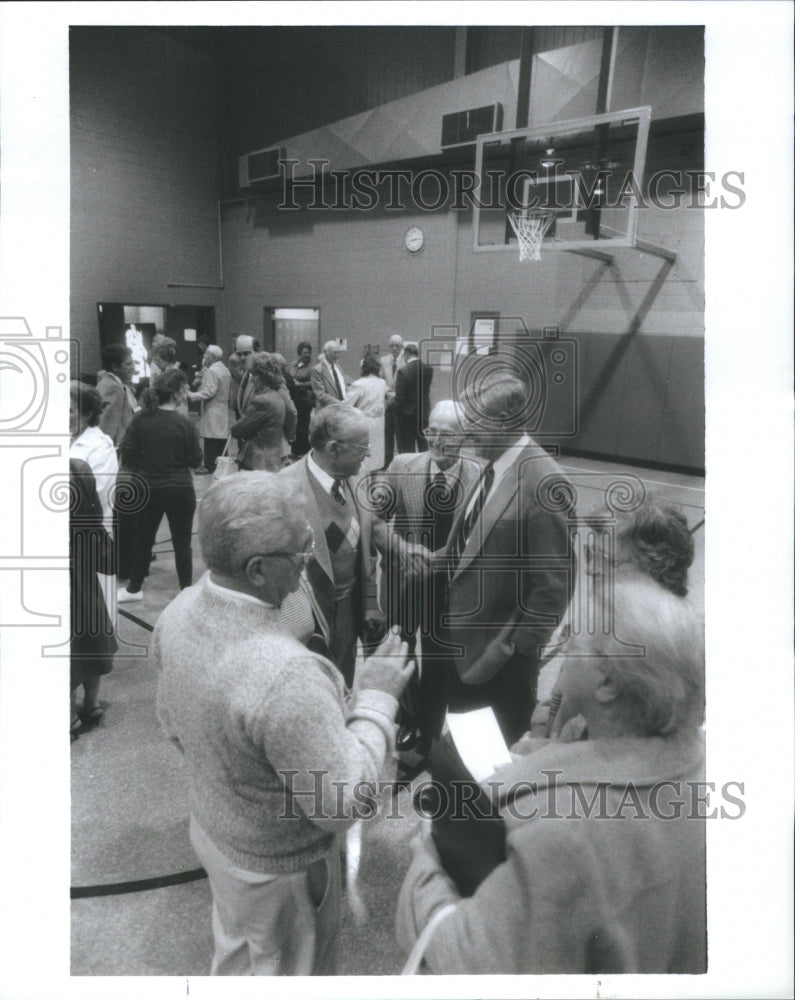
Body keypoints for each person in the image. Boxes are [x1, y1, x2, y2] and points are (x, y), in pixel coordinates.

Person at [154, 472, 414, 975]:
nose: (308, 559)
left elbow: (170, 724)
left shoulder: (179, 610)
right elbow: (342, 804)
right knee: (289, 967)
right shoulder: (285, 673)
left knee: (238, 952)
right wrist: (377, 700)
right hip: (281, 870)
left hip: (217, 832)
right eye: (300, 550)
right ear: (256, 569)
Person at [396, 577, 706, 974]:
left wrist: (427, 851)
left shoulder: (563, 840)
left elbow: (461, 959)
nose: (564, 644)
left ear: (607, 683)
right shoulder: (701, 768)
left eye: (576, 640)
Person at [375, 401, 482, 754]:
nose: (436, 439)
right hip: (404, 580)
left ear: (464, 436)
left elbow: (484, 541)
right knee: (402, 653)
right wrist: (403, 550)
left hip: (449, 588)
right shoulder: (402, 465)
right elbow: (374, 522)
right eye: (430, 430)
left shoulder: (481, 477)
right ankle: (409, 718)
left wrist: (442, 561)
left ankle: (431, 727)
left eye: (447, 433)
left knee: (439, 660)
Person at [278, 404, 384, 688]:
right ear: (335, 449)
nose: (368, 455)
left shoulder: (357, 477)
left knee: (344, 685)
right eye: (362, 448)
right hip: (307, 620)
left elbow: (367, 547)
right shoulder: (283, 490)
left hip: (349, 612)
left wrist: (372, 602)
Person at [117, 369, 202, 603]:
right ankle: (186, 590)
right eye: (184, 389)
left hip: (147, 488)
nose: (186, 393)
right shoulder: (185, 423)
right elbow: (196, 460)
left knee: (144, 539)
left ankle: (134, 588)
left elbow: (128, 457)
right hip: (181, 489)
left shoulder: (140, 419)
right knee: (182, 543)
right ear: (175, 393)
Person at [70, 459, 117, 738]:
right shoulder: (78, 467)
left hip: (56, 577)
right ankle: (91, 703)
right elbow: (95, 516)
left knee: (65, 645)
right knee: (91, 635)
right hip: (84, 573)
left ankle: (66, 715)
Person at [230, 353, 294, 472]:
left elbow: (238, 430)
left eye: (254, 375)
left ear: (264, 376)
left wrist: (235, 428)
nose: (253, 380)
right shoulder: (277, 396)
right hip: (273, 457)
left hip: (256, 460)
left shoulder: (261, 401)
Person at [69, 381, 118, 531]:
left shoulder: (101, 447)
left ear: (88, 414)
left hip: (90, 534)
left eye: (70, 410)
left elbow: (96, 497)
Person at [187, 344, 231, 474]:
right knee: (220, 437)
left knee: (211, 438)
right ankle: (221, 463)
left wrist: (191, 395)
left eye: (206, 354)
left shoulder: (212, 370)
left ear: (212, 356)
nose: (204, 356)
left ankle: (210, 465)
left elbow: (209, 391)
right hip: (221, 407)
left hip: (213, 407)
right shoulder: (224, 369)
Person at [345, 354, 387, 473]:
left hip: (364, 423)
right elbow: (389, 397)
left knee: (364, 456)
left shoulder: (359, 384)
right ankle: (374, 484)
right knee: (376, 455)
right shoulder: (382, 383)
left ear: (364, 368)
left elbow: (346, 405)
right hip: (379, 423)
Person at [393, 341, 433, 453]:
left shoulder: (403, 371)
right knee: (424, 446)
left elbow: (400, 399)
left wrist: (395, 410)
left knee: (408, 448)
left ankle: (410, 469)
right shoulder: (428, 369)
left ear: (406, 354)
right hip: (423, 414)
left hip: (407, 417)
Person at [96, 344, 137, 448]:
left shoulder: (109, 383)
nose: (133, 367)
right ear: (114, 367)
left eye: (133, 363)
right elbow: (107, 427)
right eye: (128, 364)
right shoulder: (114, 389)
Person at [378, 334, 405, 466]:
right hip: (387, 403)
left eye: (397, 346)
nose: (395, 348)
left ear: (402, 346)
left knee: (401, 438)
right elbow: (380, 380)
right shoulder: (383, 361)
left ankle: (402, 464)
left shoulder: (406, 361)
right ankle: (387, 464)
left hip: (400, 404)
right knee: (387, 436)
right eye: (392, 345)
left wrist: (396, 396)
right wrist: (388, 394)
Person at [288, 341, 316, 457]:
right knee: (294, 424)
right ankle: (295, 449)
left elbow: (314, 383)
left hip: (304, 399)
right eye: (305, 353)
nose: (307, 355)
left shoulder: (312, 368)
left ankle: (303, 450)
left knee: (303, 425)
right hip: (292, 398)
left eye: (308, 353)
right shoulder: (293, 364)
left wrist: (299, 384)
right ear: (300, 353)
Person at [228, 334, 258, 419]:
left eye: (246, 353)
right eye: (239, 354)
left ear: (257, 351)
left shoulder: (267, 374)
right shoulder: (246, 374)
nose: (242, 358)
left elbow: (289, 410)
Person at [311, 341, 347, 407]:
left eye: (338, 352)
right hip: (328, 411)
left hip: (342, 409)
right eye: (334, 353)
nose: (337, 356)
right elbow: (321, 395)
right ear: (326, 353)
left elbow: (343, 387)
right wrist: (340, 404)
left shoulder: (339, 367)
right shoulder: (317, 370)